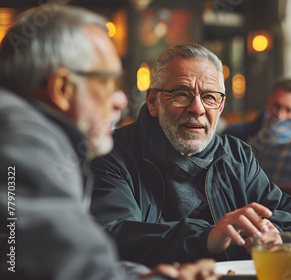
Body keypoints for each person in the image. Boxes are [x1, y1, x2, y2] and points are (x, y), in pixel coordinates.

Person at [0, 5, 216, 280]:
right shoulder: (21, 138)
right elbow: (63, 269)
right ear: (62, 88)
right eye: (109, 83)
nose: (121, 101)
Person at [89, 43, 291, 267]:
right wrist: (207, 237)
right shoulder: (112, 152)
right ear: (153, 101)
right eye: (181, 94)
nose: (198, 108)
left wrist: (274, 233)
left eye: (210, 97)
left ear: (220, 107)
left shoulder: (236, 156)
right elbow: (111, 235)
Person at [222, 78, 291, 142]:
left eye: (288, 110)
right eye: (277, 106)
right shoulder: (233, 135)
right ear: (268, 101)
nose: (280, 116)